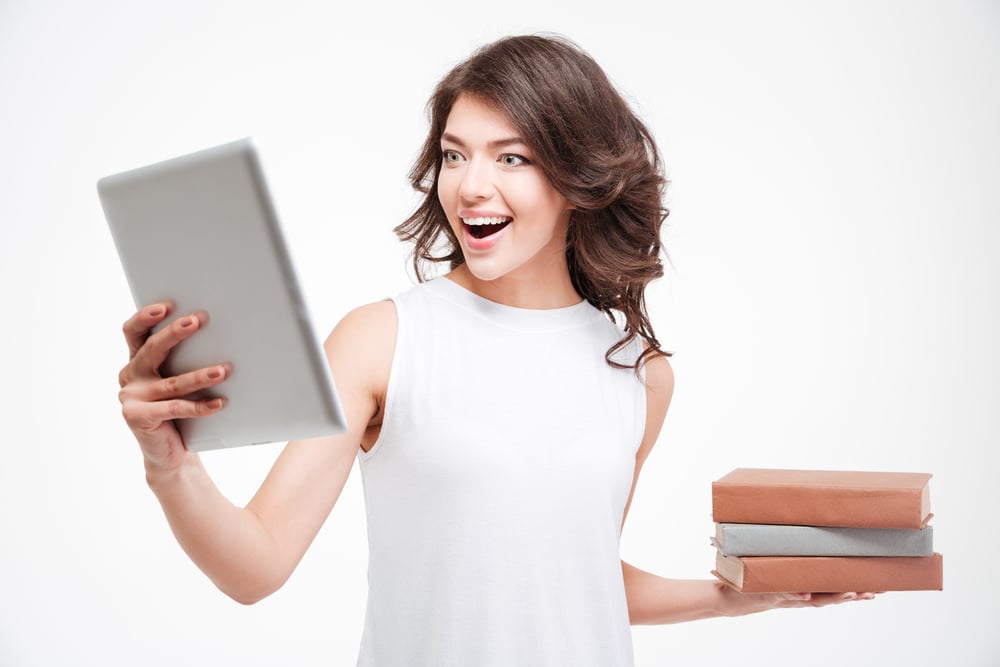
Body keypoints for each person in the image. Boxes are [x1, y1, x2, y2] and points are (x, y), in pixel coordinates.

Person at [117, 34, 873, 666]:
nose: (471, 186)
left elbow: (574, 580)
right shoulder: (383, 337)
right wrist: (170, 465)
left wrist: (739, 595)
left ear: (578, 178)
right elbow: (258, 565)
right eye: (454, 155)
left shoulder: (641, 374)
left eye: (511, 158)